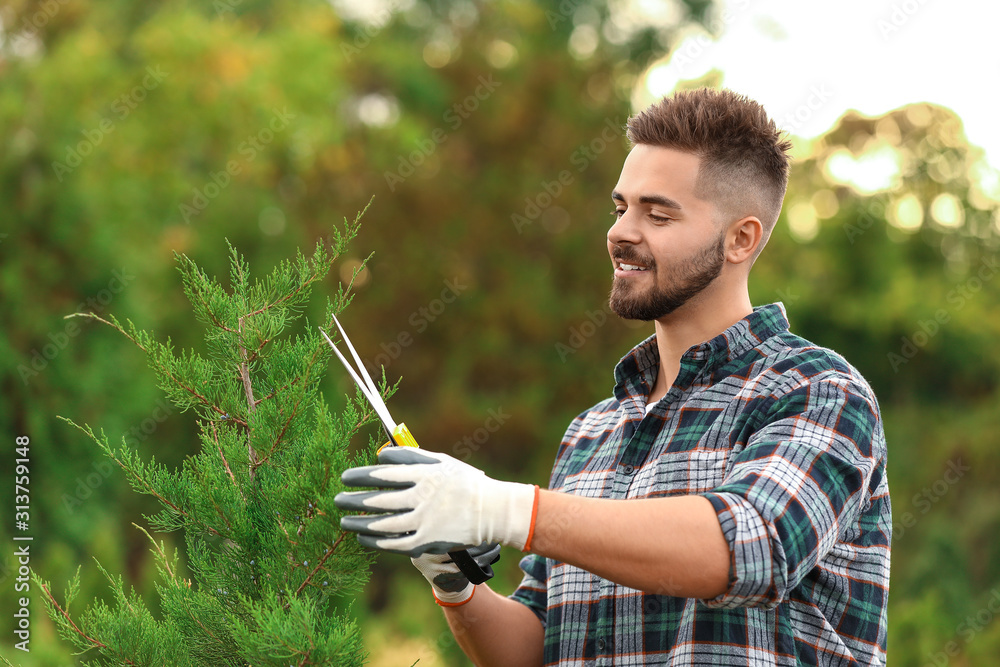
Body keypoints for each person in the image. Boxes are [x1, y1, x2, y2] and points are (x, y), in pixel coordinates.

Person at [335, 87, 891, 666]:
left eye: (658, 213)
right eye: (620, 207)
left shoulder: (817, 390)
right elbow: (530, 651)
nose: (622, 232)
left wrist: (500, 508)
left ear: (740, 239)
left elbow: (746, 547)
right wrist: (455, 583)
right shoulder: (592, 432)